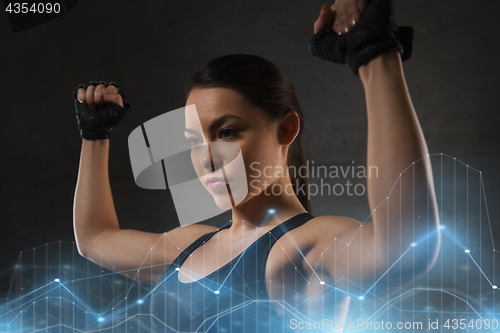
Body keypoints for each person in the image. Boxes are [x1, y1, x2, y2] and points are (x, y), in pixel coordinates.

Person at [72, 0, 440, 331]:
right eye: (193, 142)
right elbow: (94, 239)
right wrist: (95, 135)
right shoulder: (187, 246)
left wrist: (375, 55)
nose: (207, 158)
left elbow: (407, 247)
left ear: (287, 129)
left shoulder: (302, 249)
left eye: (227, 132)